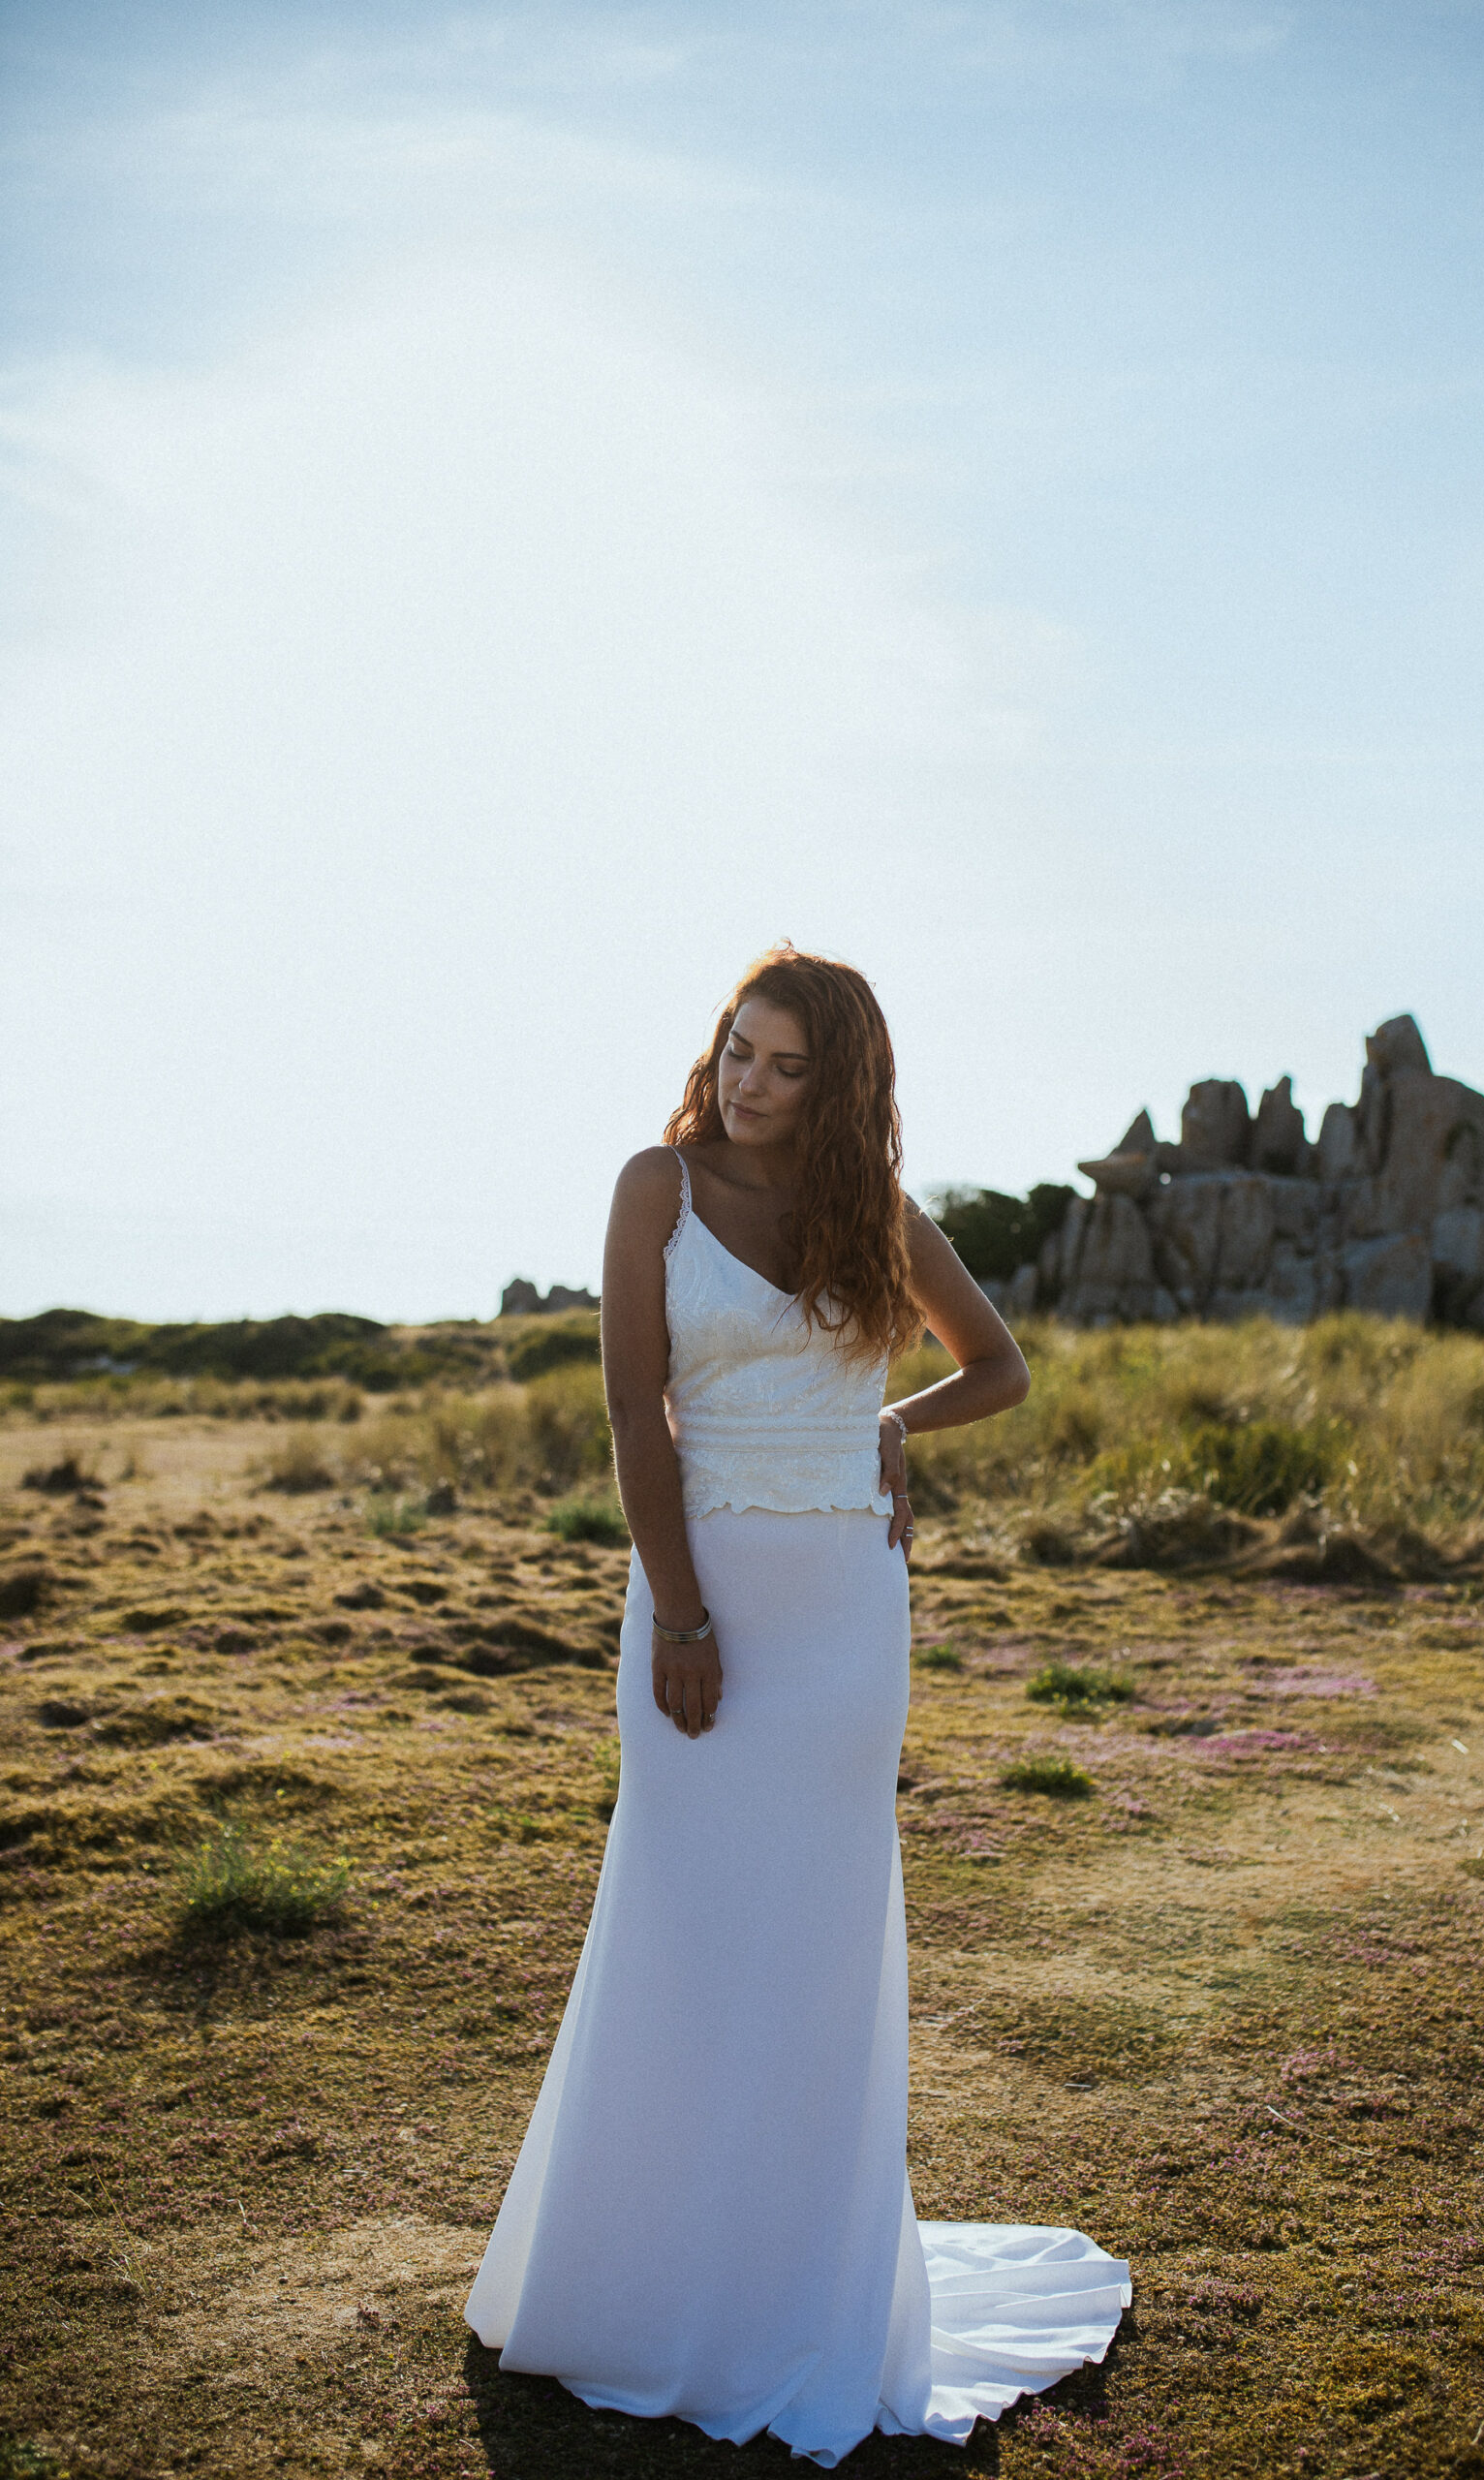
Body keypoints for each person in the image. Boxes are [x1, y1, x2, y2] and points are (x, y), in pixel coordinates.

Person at [465, 946, 1129, 2466]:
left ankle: (798, 2285)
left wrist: (889, 1421)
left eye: (784, 1066)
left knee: (818, 1942)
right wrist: (681, 1614)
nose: (749, 1080)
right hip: (703, 1599)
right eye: (736, 1049)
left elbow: (1002, 1368)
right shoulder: (658, 1184)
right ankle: (636, 2275)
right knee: (683, 1917)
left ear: (841, 1088)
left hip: (844, 1615)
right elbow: (637, 1412)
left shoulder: (873, 1217)